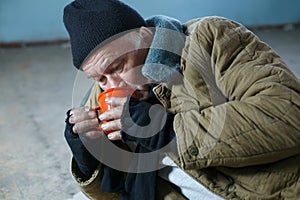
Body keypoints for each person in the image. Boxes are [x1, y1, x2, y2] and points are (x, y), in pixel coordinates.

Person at [63, 0, 300, 199]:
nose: (112, 86)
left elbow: (288, 113)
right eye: (99, 78)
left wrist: (167, 131)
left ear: (144, 36)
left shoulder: (212, 37)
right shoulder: (105, 94)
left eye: (117, 66)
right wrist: (91, 159)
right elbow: (119, 192)